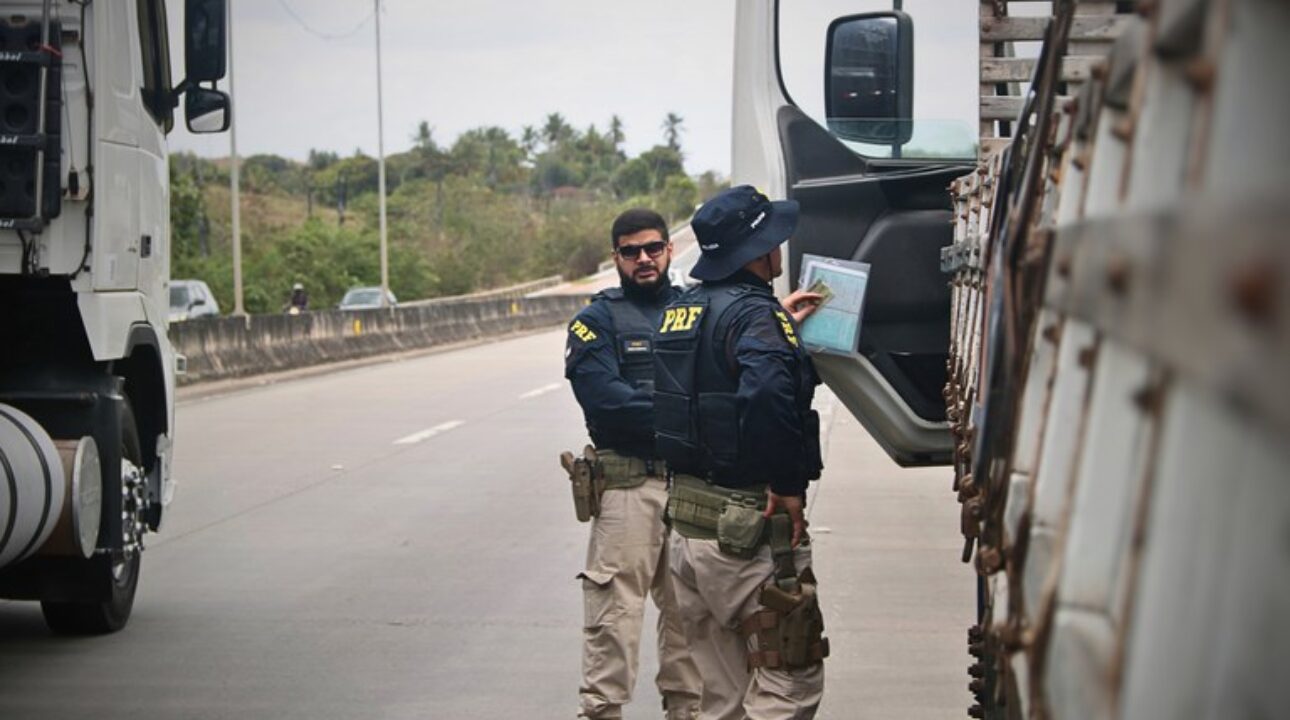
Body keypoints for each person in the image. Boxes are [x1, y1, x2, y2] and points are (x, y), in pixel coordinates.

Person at [653, 185, 827, 720]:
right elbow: (767, 395)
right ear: (760, 250)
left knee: (721, 695)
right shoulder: (755, 319)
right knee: (787, 680)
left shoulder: (682, 311)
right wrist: (788, 486)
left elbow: (713, 381)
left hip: (688, 529)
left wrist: (777, 324)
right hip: (749, 530)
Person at [564, 208, 703, 720]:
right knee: (614, 617)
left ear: (670, 249)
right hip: (629, 487)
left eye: (652, 248)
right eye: (630, 251)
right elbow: (607, 404)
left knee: (691, 617)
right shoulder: (594, 321)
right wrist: (692, 413)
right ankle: (603, 712)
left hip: (694, 487)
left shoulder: (698, 308)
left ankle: (685, 713)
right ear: (616, 257)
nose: (643, 259)